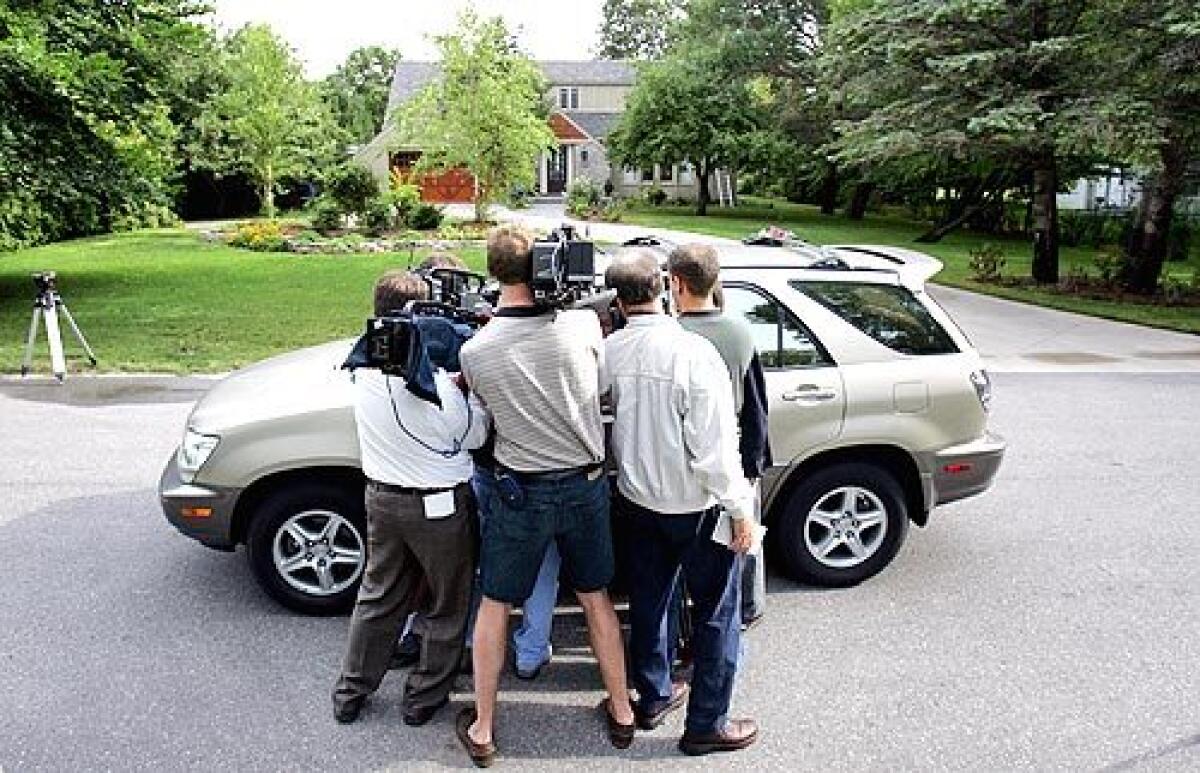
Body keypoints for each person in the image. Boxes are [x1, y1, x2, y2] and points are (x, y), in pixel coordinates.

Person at [455, 226, 635, 767]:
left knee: (495, 603)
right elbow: (601, 383)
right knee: (595, 596)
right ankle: (623, 711)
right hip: (583, 487)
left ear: (492, 274)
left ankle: (484, 728)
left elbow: (483, 413)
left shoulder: (475, 351)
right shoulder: (581, 325)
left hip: (520, 493)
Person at [604, 249, 759, 756]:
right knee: (716, 614)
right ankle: (706, 724)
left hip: (636, 502)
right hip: (697, 507)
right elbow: (715, 448)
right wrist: (740, 509)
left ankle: (653, 696)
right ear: (664, 287)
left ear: (618, 300)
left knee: (649, 603)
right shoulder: (694, 354)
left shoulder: (610, 352)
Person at [332, 270, 490, 727]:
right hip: (438, 507)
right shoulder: (437, 388)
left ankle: (351, 690)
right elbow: (474, 436)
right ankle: (422, 698)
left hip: (381, 499)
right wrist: (471, 397)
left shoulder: (362, 369)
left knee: (378, 596)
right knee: (447, 602)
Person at [668, 243, 772, 629]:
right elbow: (757, 403)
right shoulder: (741, 333)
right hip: (734, 453)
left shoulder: (671, 334)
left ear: (675, 283)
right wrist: (753, 463)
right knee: (741, 537)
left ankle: (685, 626)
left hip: (681, 461)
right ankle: (747, 607)